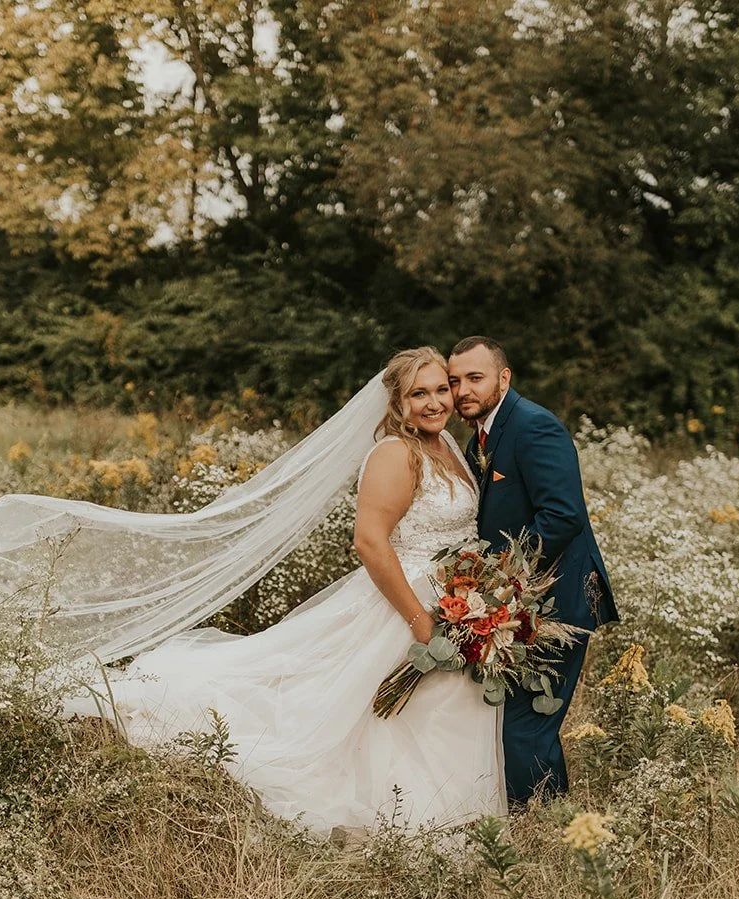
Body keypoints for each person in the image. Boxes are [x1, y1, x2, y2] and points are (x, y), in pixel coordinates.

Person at [106, 347, 504, 834]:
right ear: (396, 403)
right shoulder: (396, 454)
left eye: (441, 389)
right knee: (376, 715)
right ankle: (408, 822)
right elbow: (370, 542)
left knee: (439, 712)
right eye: (418, 393)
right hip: (406, 607)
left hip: (455, 604)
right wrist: (420, 623)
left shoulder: (448, 446)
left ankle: (449, 821)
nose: (434, 402)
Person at [448, 336, 619, 807]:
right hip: (515, 606)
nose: (463, 390)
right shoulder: (479, 437)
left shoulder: (534, 426)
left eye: (475, 378)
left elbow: (562, 517)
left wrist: (502, 583)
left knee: (526, 726)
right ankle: (540, 822)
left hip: (555, 600)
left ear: (504, 378)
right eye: (455, 381)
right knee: (514, 722)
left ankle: (545, 828)